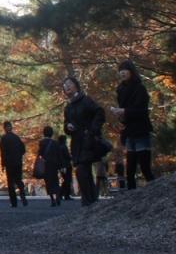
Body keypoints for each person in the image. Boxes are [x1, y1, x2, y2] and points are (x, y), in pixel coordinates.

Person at [62, 75, 108, 206]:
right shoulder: (68, 107)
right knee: (84, 170)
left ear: (76, 86)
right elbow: (66, 124)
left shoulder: (85, 100)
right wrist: (68, 127)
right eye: (65, 85)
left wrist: (92, 130)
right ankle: (92, 200)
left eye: (69, 84)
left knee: (81, 170)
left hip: (88, 140)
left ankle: (87, 201)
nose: (67, 86)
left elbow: (100, 113)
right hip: (76, 142)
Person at [109, 59, 154, 189]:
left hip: (141, 130)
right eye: (120, 71)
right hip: (129, 131)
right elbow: (124, 113)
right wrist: (120, 115)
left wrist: (124, 111)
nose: (122, 73)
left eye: (125, 70)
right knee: (130, 170)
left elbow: (142, 111)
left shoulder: (140, 88)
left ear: (131, 71)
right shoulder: (120, 89)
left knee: (145, 167)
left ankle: (156, 191)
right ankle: (131, 195)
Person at [0, 120, 28, 207]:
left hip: (9, 163)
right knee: (18, 180)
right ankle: (22, 194)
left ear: (4, 128)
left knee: (10, 182)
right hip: (17, 162)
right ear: (11, 128)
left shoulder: (4, 139)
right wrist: (18, 156)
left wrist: (3, 164)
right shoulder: (16, 138)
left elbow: (3, 152)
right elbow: (23, 149)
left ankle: (13, 202)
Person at [39, 125, 63, 206]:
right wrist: (61, 165)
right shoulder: (55, 143)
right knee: (55, 180)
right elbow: (59, 155)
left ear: (44, 133)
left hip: (46, 164)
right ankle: (58, 196)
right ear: (51, 133)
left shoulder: (42, 143)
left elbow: (40, 154)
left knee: (48, 182)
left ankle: (52, 200)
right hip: (54, 164)